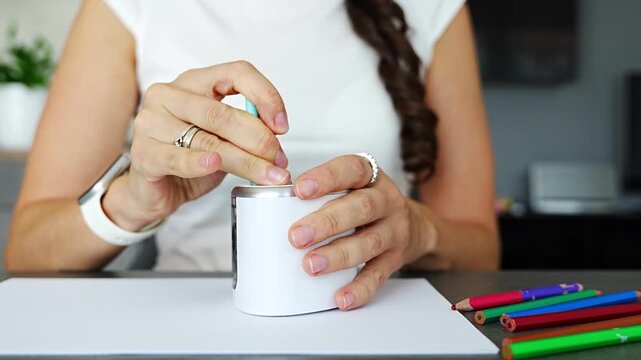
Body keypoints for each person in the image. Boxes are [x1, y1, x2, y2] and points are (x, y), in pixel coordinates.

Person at [5, 0, 499, 311]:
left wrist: (419, 229)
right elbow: (26, 250)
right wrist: (133, 201)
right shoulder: (129, 7)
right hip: (188, 322)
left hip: (374, 313)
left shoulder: (433, 8)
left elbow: (481, 250)